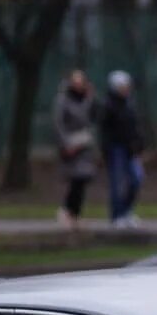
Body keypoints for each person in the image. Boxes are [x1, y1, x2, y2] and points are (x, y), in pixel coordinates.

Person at [53, 69, 97, 230]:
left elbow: (91, 116)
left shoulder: (86, 99)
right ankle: (66, 210)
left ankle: (75, 214)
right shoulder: (63, 100)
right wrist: (65, 145)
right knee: (76, 179)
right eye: (76, 82)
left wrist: (91, 97)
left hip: (84, 143)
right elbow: (58, 123)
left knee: (83, 179)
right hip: (71, 143)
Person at [100, 70, 146, 228]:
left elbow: (135, 127)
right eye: (123, 86)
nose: (126, 89)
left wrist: (139, 144)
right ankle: (117, 215)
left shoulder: (129, 104)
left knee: (136, 179)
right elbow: (106, 131)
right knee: (118, 183)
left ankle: (127, 211)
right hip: (116, 149)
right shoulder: (109, 105)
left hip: (130, 149)